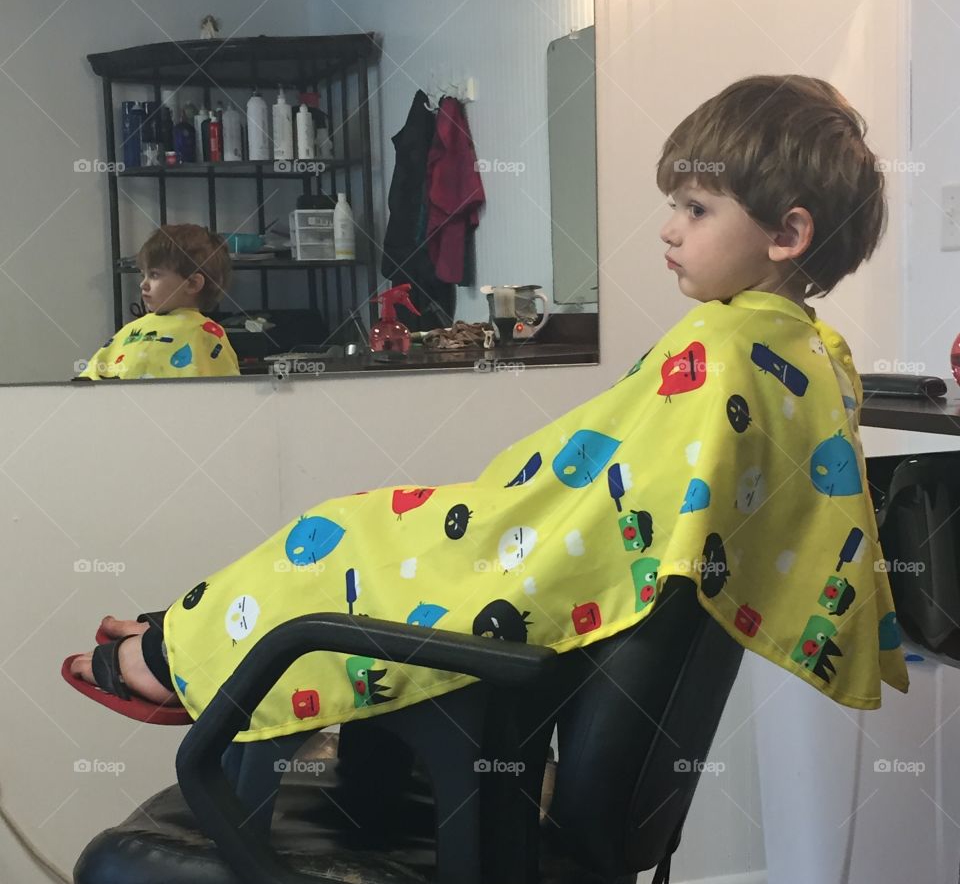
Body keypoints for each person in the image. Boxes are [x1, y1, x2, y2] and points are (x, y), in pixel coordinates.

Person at [66, 74, 910, 746]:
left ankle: (178, 656)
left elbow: (623, 527)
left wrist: (502, 519)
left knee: (335, 537)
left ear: (786, 235)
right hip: (529, 531)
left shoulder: (725, 351)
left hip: (529, 552)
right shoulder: (805, 355)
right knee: (362, 529)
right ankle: (187, 630)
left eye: (695, 209)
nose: (667, 229)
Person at [75, 224, 239, 380]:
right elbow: (92, 380)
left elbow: (224, 394)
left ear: (192, 284)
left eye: (154, 275)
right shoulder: (132, 330)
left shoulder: (205, 334)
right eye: (143, 275)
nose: (143, 284)